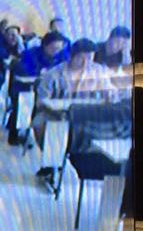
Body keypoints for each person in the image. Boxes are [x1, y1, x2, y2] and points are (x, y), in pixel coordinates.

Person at [32, 38, 115, 183]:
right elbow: (41, 101)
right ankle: (52, 164)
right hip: (56, 114)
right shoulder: (54, 74)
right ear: (72, 56)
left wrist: (111, 95)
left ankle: (94, 164)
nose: (86, 63)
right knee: (46, 125)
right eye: (81, 58)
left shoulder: (98, 71)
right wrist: (55, 107)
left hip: (85, 115)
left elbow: (110, 92)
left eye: (90, 58)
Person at [7, 31, 68, 144]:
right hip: (25, 88)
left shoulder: (62, 57)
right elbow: (26, 74)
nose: (56, 51)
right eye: (53, 48)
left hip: (47, 91)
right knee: (26, 104)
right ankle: (15, 134)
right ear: (45, 45)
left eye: (59, 48)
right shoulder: (30, 54)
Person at [0, 24, 25, 108]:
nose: (14, 37)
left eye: (16, 35)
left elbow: (24, 56)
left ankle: (14, 103)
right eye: (11, 35)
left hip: (13, 71)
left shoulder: (19, 45)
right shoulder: (0, 44)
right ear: (6, 35)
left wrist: (20, 46)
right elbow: (1, 55)